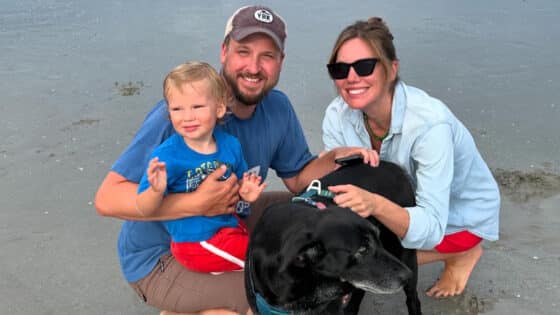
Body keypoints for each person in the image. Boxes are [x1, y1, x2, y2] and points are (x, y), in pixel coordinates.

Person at [95, 5, 376, 315]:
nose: (254, 67)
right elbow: (106, 199)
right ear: (224, 51)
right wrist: (196, 204)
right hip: (159, 258)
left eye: (267, 56)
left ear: (280, 62)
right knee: (279, 293)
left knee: (322, 211)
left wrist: (334, 159)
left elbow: (298, 179)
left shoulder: (277, 107)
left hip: (230, 223)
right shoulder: (183, 115)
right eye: (244, 51)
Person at [322, 17, 501, 298]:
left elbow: (431, 227)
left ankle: (463, 253)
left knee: (358, 260)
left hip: (456, 217)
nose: (351, 78)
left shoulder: (430, 125)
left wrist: (374, 204)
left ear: (392, 70)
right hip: (400, 200)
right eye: (340, 69)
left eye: (365, 66)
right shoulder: (337, 116)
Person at [136, 62, 266, 274]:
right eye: (177, 109)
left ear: (220, 108)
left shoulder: (231, 145)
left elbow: (239, 187)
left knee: (264, 244)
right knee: (262, 263)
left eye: (197, 107)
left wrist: (245, 192)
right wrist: (155, 191)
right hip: (195, 243)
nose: (187, 117)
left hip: (228, 228)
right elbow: (144, 208)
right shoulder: (166, 157)